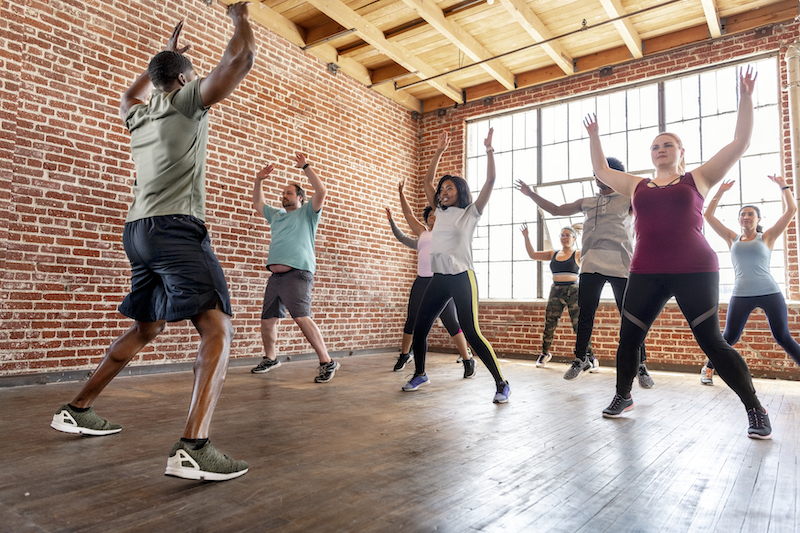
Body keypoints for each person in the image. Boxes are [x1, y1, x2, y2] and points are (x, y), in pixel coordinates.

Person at [50, 6, 257, 481]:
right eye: (192, 75)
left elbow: (127, 93)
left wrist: (157, 64)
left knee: (148, 328)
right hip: (174, 229)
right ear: (185, 80)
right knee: (217, 327)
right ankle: (194, 446)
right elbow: (241, 60)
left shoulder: (137, 117)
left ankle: (78, 408)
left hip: (137, 232)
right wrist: (239, 16)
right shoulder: (185, 102)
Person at [585, 66, 772, 439]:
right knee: (628, 338)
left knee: (713, 343)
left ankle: (755, 408)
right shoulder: (637, 185)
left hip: (695, 269)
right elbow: (601, 170)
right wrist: (595, 135)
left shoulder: (696, 179)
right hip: (646, 270)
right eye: (655, 146)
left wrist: (746, 97)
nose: (660, 149)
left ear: (680, 152)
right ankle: (624, 395)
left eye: (667, 144)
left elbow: (740, 143)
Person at [515, 160, 654, 385]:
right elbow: (556, 210)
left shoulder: (629, 200)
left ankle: (640, 364)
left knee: (630, 316)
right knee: (585, 314)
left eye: (602, 173)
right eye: (595, 174)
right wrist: (531, 193)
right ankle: (581, 359)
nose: (597, 178)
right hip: (591, 266)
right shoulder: (588, 202)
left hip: (621, 266)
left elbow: (654, 202)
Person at [403, 129, 511, 404]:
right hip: (438, 279)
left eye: (449, 187)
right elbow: (427, 180)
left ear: (460, 191)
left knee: (471, 331)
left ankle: (501, 383)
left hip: (463, 277)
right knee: (420, 325)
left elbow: (491, 180)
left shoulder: (470, 213)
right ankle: (420, 373)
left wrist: (488, 150)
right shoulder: (438, 211)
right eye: (442, 189)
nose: (443, 191)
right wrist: (438, 150)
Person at [701, 175, 799, 385]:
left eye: (751, 214)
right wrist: (720, 192)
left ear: (758, 219)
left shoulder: (768, 237)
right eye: (743, 214)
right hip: (741, 294)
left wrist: (783, 186)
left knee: (782, 337)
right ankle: (708, 368)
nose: (746, 217)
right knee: (729, 337)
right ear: (739, 219)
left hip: (770, 292)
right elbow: (707, 215)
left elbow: (791, 210)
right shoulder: (732, 238)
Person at [250, 153, 339, 383]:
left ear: (300, 197)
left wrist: (306, 167)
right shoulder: (277, 215)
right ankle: (271, 358)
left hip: (298, 273)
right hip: (276, 277)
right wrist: (259, 180)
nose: (284, 196)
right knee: (267, 320)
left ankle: (327, 361)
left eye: (289, 192)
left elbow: (321, 192)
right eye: (283, 193)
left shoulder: (308, 213)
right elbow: (258, 204)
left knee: (302, 317)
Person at [385, 180, 476, 378]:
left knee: (452, 322)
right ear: (427, 220)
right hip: (422, 282)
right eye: (431, 216)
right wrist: (401, 194)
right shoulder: (423, 234)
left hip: (442, 281)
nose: (434, 217)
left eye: (436, 214)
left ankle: (468, 360)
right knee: (413, 320)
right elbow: (408, 215)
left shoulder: (448, 230)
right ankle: (405, 355)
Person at [518, 223, 595, 369]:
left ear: (574, 238)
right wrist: (526, 237)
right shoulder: (553, 254)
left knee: (579, 325)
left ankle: (590, 357)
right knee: (550, 323)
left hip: (573, 291)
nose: (564, 238)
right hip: (555, 291)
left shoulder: (578, 253)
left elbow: (590, 249)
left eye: (568, 235)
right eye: (562, 235)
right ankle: (545, 353)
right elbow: (533, 255)